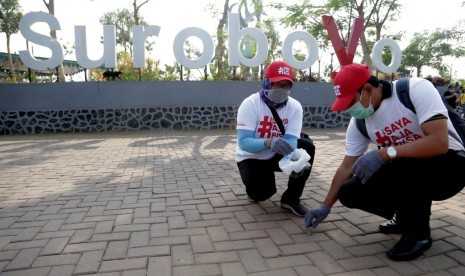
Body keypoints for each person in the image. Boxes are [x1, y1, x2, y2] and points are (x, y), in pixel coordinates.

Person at [304, 63, 465, 261]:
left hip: (451, 167)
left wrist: (384, 154)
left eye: (350, 102)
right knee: (350, 192)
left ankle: (419, 235)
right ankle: (405, 217)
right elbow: (346, 167)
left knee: (402, 164)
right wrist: (325, 206)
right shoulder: (360, 123)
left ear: (368, 89)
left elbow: (439, 143)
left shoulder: (413, 89)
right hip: (409, 168)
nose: (349, 110)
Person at [235, 60, 316, 216]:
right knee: (262, 194)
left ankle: (291, 199)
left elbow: (291, 138)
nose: (282, 90)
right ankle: (255, 189)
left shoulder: (295, 107)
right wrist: (268, 142)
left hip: (276, 153)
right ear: (266, 83)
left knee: (306, 147)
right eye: (277, 84)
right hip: (252, 157)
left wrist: (293, 161)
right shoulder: (250, 104)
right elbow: (244, 142)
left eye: (287, 86)